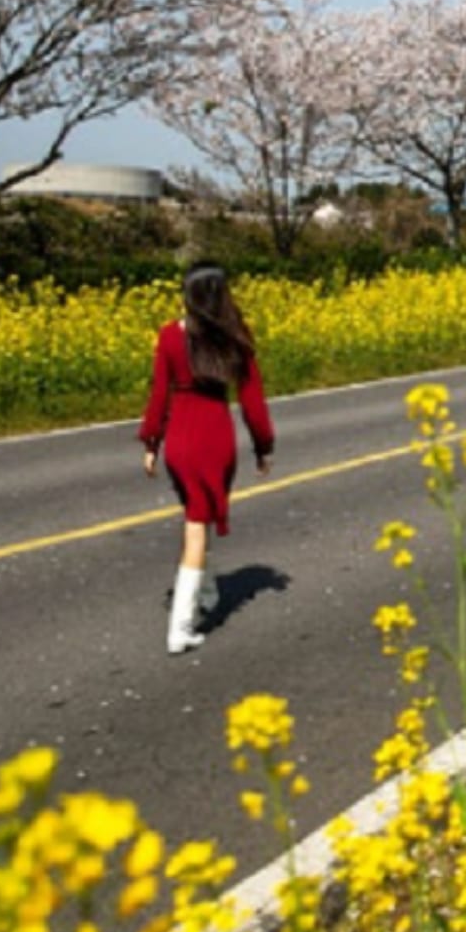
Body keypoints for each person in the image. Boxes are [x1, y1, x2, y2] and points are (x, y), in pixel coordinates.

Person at [139, 262, 275, 654]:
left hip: (180, 440)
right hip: (214, 438)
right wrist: (263, 448)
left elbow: (158, 394)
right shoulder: (234, 338)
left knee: (197, 514)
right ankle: (180, 628)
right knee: (199, 524)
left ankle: (208, 590)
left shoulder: (168, 336)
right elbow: (253, 404)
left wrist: (151, 443)